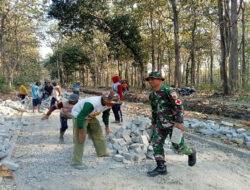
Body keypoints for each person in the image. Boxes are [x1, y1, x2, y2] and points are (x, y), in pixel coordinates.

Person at [145, 71, 196, 177]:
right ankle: (161, 167)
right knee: (156, 143)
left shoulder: (169, 91)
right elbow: (154, 110)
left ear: (160, 80)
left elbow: (179, 106)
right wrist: (153, 123)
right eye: (149, 79)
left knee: (178, 147)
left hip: (173, 124)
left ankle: (191, 152)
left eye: (152, 79)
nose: (150, 81)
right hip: (160, 124)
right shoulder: (152, 95)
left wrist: (179, 121)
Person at [71, 91, 121, 170]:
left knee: (98, 132)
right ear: (106, 101)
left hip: (91, 115)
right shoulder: (92, 104)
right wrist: (81, 132)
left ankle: (102, 152)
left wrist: (106, 127)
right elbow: (81, 117)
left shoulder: (109, 104)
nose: (115, 104)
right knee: (80, 139)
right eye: (114, 103)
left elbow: (106, 114)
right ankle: (76, 162)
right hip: (79, 116)